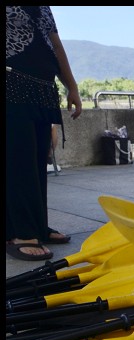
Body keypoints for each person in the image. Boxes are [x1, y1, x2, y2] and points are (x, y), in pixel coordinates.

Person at [6, 6, 82, 261]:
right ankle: (20, 233)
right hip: (11, 83)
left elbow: (56, 46)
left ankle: (37, 226)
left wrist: (72, 86)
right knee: (18, 159)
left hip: (42, 88)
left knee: (39, 160)